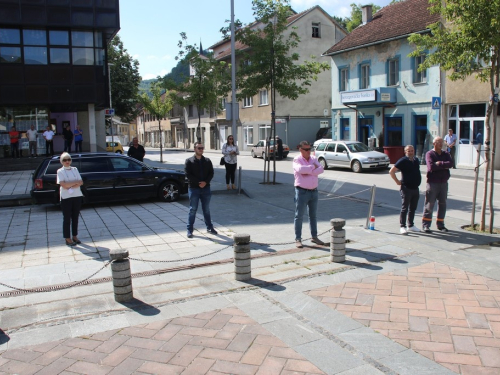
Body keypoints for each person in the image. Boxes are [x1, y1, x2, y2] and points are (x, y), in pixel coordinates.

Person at [293, 140, 325, 248]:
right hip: (302, 191)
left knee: (313, 216)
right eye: (306, 149)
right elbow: (300, 169)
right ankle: (298, 239)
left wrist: (309, 171)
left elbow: (321, 169)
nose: (308, 151)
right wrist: (312, 168)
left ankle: (314, 236)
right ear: (301, 149)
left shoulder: (313, 159)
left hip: (313, 191)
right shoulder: (297, 159)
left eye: (309, 149)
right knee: (299, 216)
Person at [184, 142, 217, 238]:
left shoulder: (207, 161)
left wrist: (205, 182)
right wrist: (199, 183)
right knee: (193, 209)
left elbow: (211, 173)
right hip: (194, 188)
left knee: (206, 209)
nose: (201, 149)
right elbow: (188, 174)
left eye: (202, 148)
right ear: (194, 149)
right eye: (199, 148)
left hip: (206, 188)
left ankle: (209, 227)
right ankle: (189, 230)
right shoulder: (189, 161)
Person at [422, 136, 452, 233]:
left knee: (442, 204)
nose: (441, 144)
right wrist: (444, 166)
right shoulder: (429, 154)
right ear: (434, 143)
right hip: (432, 183)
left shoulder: (446, 153)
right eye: (438, 142)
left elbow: (450, 164)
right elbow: (431, 167)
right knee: (429, 204)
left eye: (442, 142)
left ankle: (440, 225)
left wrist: (439, 163)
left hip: (443, 183)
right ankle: (426, 225)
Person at [389, 145, 422, 235]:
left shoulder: (416, 160)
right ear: (405, 152)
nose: (410, 152)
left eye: (412, 150)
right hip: (406, 188)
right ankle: (402, 226)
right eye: (408, 151)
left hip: (415, 188)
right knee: (405, 208)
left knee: (413, 208)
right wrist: (397, 181)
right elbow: (391, 171)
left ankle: (410, 225)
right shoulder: (403, 160)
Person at [57, 152, 84, 247]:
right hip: (66, 197)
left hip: (76, 195)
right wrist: (74, 183)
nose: (67, 162)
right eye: (65, 160)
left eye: (68, 159)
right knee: (67, 218)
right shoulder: (60, 171)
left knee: (75, 217)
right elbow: (63, 185)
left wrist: (71, 184)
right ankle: (67, 238)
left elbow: (80, 182)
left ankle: (75, 236)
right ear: (62, 162)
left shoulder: (75, 169)